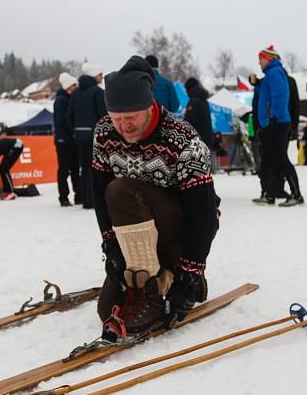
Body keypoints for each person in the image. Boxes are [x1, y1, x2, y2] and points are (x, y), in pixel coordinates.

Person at [92, 55, 219, 339]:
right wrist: (112, 249)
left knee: (122, 189)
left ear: (149, 106)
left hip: (181, 225)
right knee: (107, 310)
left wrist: (190, 272)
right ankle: (151, 275)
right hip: (136, 228)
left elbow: (204, 214)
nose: (123, 127)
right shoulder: (103, 132)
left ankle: (165, 278)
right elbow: (99, 196)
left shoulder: (183, 138)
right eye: (117, 118)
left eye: (131, 117)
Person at [252, 46, 303, 206]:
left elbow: (279, 96)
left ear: (268, 58)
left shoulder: (274, 73)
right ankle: (271, 193)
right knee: (269, 159)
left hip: (278, 123)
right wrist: (257, 84)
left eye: (260, 59)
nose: (259, 62)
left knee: (281, 158)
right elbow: (266, 94)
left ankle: (296, 194)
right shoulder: (270, 75)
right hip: (272, 123)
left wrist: (273, 118)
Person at [67, 62, 107, 209]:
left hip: (80, 136)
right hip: (94, 136)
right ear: (93, 75)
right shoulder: (97, 92)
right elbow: (103, 116)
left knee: (83, 167)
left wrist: (75, 131)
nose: (102, 77)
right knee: (94, 169)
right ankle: (93, 199)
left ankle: (85, 198)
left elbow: (69, 115)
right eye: (100, 74)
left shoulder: (76, 93)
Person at [54, 73, 80, 206]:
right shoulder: (61, 100)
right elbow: (63, 121)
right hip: (63, 141)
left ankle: (78, 195)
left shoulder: (70, 99)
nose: (76, 87)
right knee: (64, 170)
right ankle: (63, 197)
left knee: (75, 169)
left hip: (71, 139)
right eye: (74, 85)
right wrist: (73, 130)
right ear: (68, 86)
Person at [183, 77, 214, 151]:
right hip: (206, 139)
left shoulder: (194, 102)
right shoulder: (204, 100)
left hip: (197, 141)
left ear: (189, 89)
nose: (186, 93)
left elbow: (189, 122)